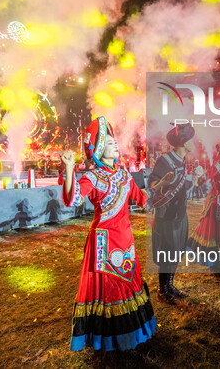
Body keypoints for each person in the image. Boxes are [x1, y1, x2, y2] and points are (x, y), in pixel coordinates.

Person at [62, 116, 168, 352]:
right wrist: (69, 169)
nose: (115, 145)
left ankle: (131, 333)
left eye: (114, 142)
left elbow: (142, 199)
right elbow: (73, 198)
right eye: (110, 143)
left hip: (125, 239)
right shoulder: (93, 177)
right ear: (99, 149)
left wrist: (163, 186)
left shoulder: (124, 176)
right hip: (104, 243)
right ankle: (110, 338)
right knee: (109, 289)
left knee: (128, 282)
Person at [148, 123, 195, 304]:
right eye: (191, 139)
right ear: (183, 142)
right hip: (166, 215)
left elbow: (180, 184)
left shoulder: (181, 160)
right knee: (167, 251)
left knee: (177, 250)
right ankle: (162, 289)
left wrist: (194, 183)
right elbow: (152, 185)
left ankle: (170, 285)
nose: (194, 143)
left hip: (179, 213)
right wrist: (164, 183)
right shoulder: (165, 161)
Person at [187, 132, 220, 271]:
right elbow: (207, 175)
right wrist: (200, 179)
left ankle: (218, 261)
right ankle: (218, 261)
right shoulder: (219, 165)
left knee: (219, 231)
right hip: (215, 203)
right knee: (217, 231)